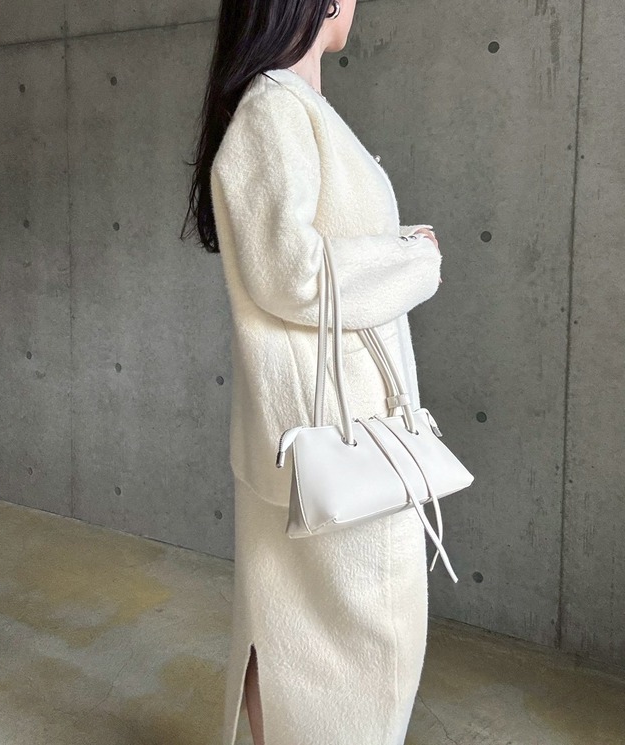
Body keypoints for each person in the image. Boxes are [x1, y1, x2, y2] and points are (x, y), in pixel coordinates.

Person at [180, 1, 444, 743]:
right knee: (344, 649)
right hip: (334, 440)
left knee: (300, 640)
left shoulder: (293, 107)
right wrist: (413, 260)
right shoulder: (274, 109)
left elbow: (312, 252)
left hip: (333, 431)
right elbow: (289, 271)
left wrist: (396, 244)